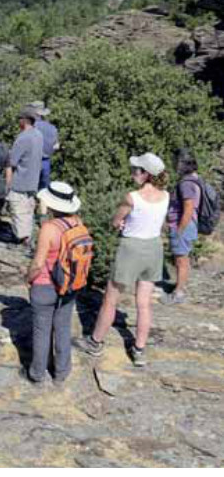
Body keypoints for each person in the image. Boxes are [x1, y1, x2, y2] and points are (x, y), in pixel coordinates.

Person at [74, 153, 169, 368]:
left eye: (137, 170)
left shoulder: (131, 197)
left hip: (131, 248)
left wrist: (120, 224)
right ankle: (139, 350)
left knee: (110, 298)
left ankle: (95, 342)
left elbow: (116, 221)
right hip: (154, 248)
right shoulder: (166, 196)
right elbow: (160, 223)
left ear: (146, 174)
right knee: (144, 303)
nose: (133, 173)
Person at [26, 182, 84, 386]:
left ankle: (38, 373)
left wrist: (28, 279)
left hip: (45, 285)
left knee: (42, 330)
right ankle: (61, 372)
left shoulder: (48, 229)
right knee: (62, 327)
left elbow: (38, 263)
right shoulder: (78, 223)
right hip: (69, 286)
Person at [164, 148, 201, 305]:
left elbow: (188, 207)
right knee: (182, 259)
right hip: (188, 225)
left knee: (181, 260)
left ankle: (178, 293)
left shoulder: (186, 184)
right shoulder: (195, 178)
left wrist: (179, 230)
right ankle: (179, 287)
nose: (174, 165)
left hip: (183, 226)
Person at [5, 108, 44, 247]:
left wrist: (7, 183)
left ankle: (23, 242)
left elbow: (12, 162)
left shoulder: (23, 138)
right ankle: (28, 240)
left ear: (24, 120)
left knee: (19, 213)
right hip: (33, 181)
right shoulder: (39, 135)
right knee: (27, 212)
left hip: (20, 181)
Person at [28, 102, 60, 191]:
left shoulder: (31, 127)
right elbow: (56, 146)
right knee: (44, 191)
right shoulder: (53, 128)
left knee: (30, 189)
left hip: (32, 161)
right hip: (46, 162)